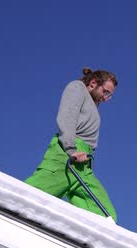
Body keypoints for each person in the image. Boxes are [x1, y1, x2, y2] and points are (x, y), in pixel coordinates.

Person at [25, 67, 118, 222]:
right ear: (93, 83)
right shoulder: (77, 88)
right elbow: (67, 117)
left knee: (105, 216)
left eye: (110, 96)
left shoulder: (93, 104)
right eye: (106, 92)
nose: (106, 98)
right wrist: (71, 149)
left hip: (84, 163)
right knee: (31, 197)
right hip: (66, 157)